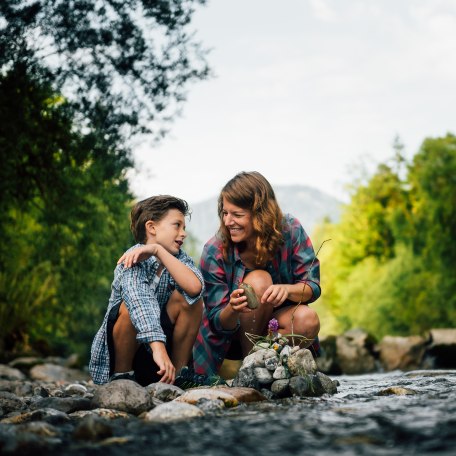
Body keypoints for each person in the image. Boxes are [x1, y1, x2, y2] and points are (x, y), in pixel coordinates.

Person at [192, 171, 321, 376]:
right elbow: (217, 323)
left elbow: (312, 287)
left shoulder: (291, 229)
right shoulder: (214, 250)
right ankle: (250, 368)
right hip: (230, 339)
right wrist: (232, 308)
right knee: (260, 280)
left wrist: (287, 290)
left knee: (308, 318)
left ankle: (264, 367)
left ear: (260, 214)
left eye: (237, 215)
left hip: (276, 329)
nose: (228, 221)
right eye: (225, 213)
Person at [89, 195, 205, 387]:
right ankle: (122, 376)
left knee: (190, 299)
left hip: (160, 358)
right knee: (127, 307)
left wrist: (158, 251)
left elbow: (195, 288)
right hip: (132, 351)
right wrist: (157, 347)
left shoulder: (179, 260)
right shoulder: (131, 260)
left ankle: (177, 375)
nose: (183, 233)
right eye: (177, 225)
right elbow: (140, 302)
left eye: (184, 227)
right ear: (151, 227)